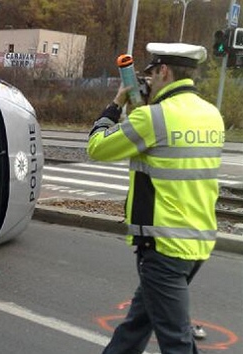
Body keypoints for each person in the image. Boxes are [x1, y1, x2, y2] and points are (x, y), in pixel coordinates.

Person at [87, 43, 224, 354]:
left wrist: (117, 102)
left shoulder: (153, 118)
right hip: (197, 242)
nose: (146, 80)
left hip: (163, 246)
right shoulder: (211, 114)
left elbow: (96, 147)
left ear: (163, 71)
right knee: (137, 325)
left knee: (176, 342)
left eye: (149, 74)